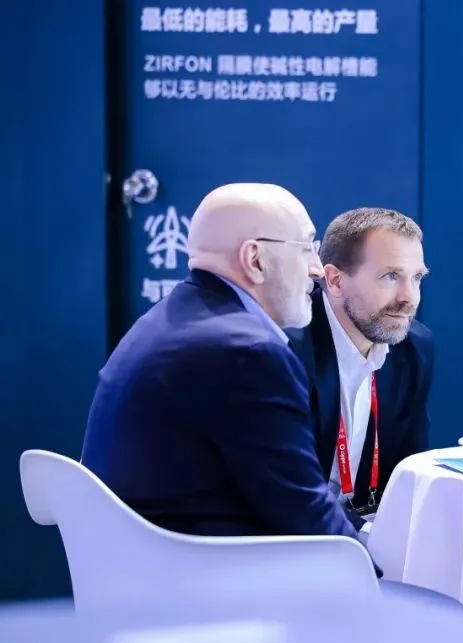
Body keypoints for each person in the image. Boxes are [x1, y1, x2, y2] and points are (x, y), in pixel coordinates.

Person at [81, 182, 356, 539]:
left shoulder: (165, 322)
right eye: (306, 248)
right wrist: (374, 569)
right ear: (255, 259)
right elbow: (306, 514)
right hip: (203, 566)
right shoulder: (247, 352)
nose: (317, 269)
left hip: (138, 558)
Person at [288, 208, 433, 532]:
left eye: (417, 278)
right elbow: (288, 490)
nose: (409, 297)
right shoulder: (288, 348)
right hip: (298, 534)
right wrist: (365, 536)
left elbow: (411, 467)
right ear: (335, 281)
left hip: (370, 530)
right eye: (390, 276)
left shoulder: (415, 347)